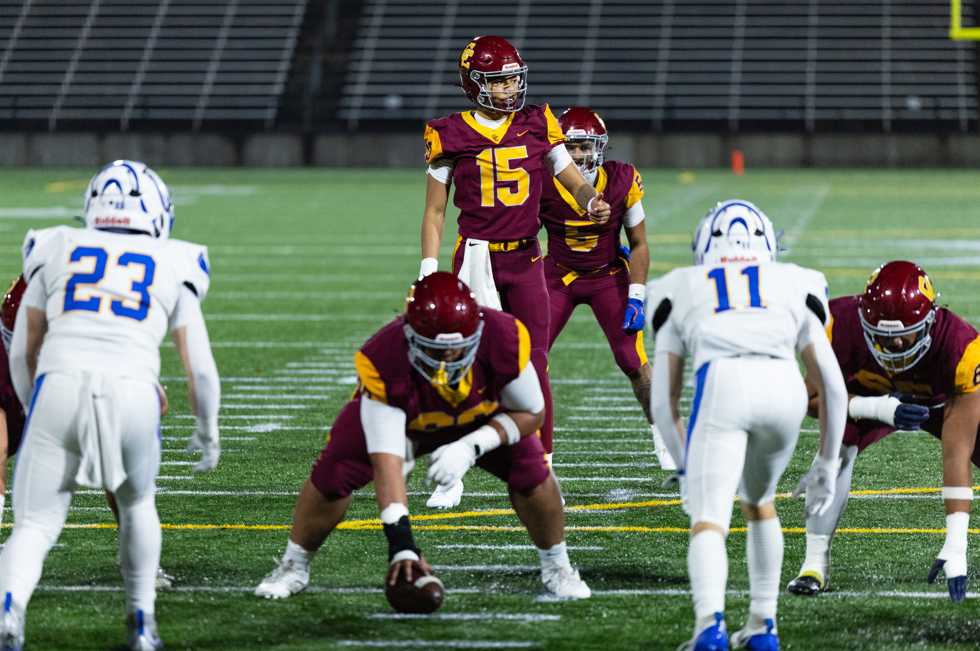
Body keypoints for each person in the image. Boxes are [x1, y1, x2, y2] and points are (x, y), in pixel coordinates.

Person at [254, 273, 591, 603]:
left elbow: (533, 413)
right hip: (411, 420)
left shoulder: (504, 336)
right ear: (409, 334)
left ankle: (557, 566)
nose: (447, 360)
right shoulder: (383, 358)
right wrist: (402, 545)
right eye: (435, 349)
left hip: (481, 416)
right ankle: (293, 565)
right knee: (334, 471)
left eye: (459, 349)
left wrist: (472, 446)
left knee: (532, 471)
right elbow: (388, 462)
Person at [0, 160, 221, 651]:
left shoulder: (53, 245)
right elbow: (199, 367)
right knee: (137, 502)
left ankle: (8, 611)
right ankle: (141, 622)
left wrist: (31, 406)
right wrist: (208, 427)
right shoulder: (176, 260)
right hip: (133, 390)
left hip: (59, 381)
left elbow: (24, 349)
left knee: (35, 525)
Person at [418, 35, 611, 507]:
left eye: (513, 79)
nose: (510, 89)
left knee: (536, 358)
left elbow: (568, 173)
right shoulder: (449, 133)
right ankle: (450, 468)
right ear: (475, 84)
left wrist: (590, 200)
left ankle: (540, 463)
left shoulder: (537, 122)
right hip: (478, 256)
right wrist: (428, 269)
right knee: (459, 360)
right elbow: (435, 212)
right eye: (500, 81)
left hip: (526, 257)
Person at [647, 200, 846, 650]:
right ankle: (762, 625)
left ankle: (709, 627)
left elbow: (664, 401)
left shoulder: (678, 285)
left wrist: (683, 470)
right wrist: (826, 464)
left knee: (709, 519)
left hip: (724, 382)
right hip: (784, 386)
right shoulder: (798, 281)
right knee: (760, 503)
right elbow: (832, 387)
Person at [787, 260, 980, 603]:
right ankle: (813, 564)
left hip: (938, 403)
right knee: (836, 447)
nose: (895, 347)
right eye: (883, 338)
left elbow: (956, 452)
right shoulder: (836, 324)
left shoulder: (961, 347)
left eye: (905, 335)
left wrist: (956, 543)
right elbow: (811, 400)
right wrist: (879, 409)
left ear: (931, 321)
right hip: (866, 400)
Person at [2, 277, 177, 592]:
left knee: (116, 462)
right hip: (24, 363)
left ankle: (139, 563)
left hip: (74, 364)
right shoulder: (41, 292)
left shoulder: (90, 307)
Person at [539, 106, 672, 468]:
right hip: (559, 275)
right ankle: (537, 453)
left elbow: (640, 243)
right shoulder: (541, 180)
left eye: (586, 147)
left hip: (607, 274)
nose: (580, 155)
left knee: (634, 360)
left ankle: (663, 435)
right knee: (531, 359)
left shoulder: (622, 179)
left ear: (601, 147)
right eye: (572, 148)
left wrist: (638, 295)